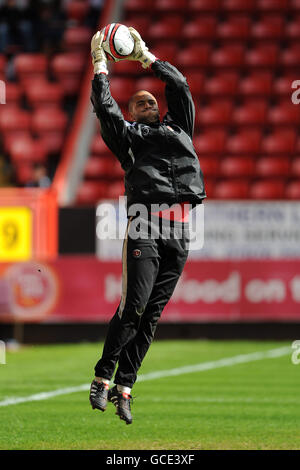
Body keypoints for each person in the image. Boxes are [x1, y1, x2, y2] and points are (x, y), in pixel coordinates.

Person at [89, 28, 206, 424]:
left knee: (152, 315)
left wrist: (146, 57)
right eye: (139, 102)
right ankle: (102, 376)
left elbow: (180, 85)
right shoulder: (130, 138)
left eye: (151, 100)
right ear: (133, 113)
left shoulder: (180, 127)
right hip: (144, 226)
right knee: (134, 306)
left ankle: (125, 387)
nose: (147, 103)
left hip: (180, 232)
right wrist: (100, 66)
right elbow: (105, 110)